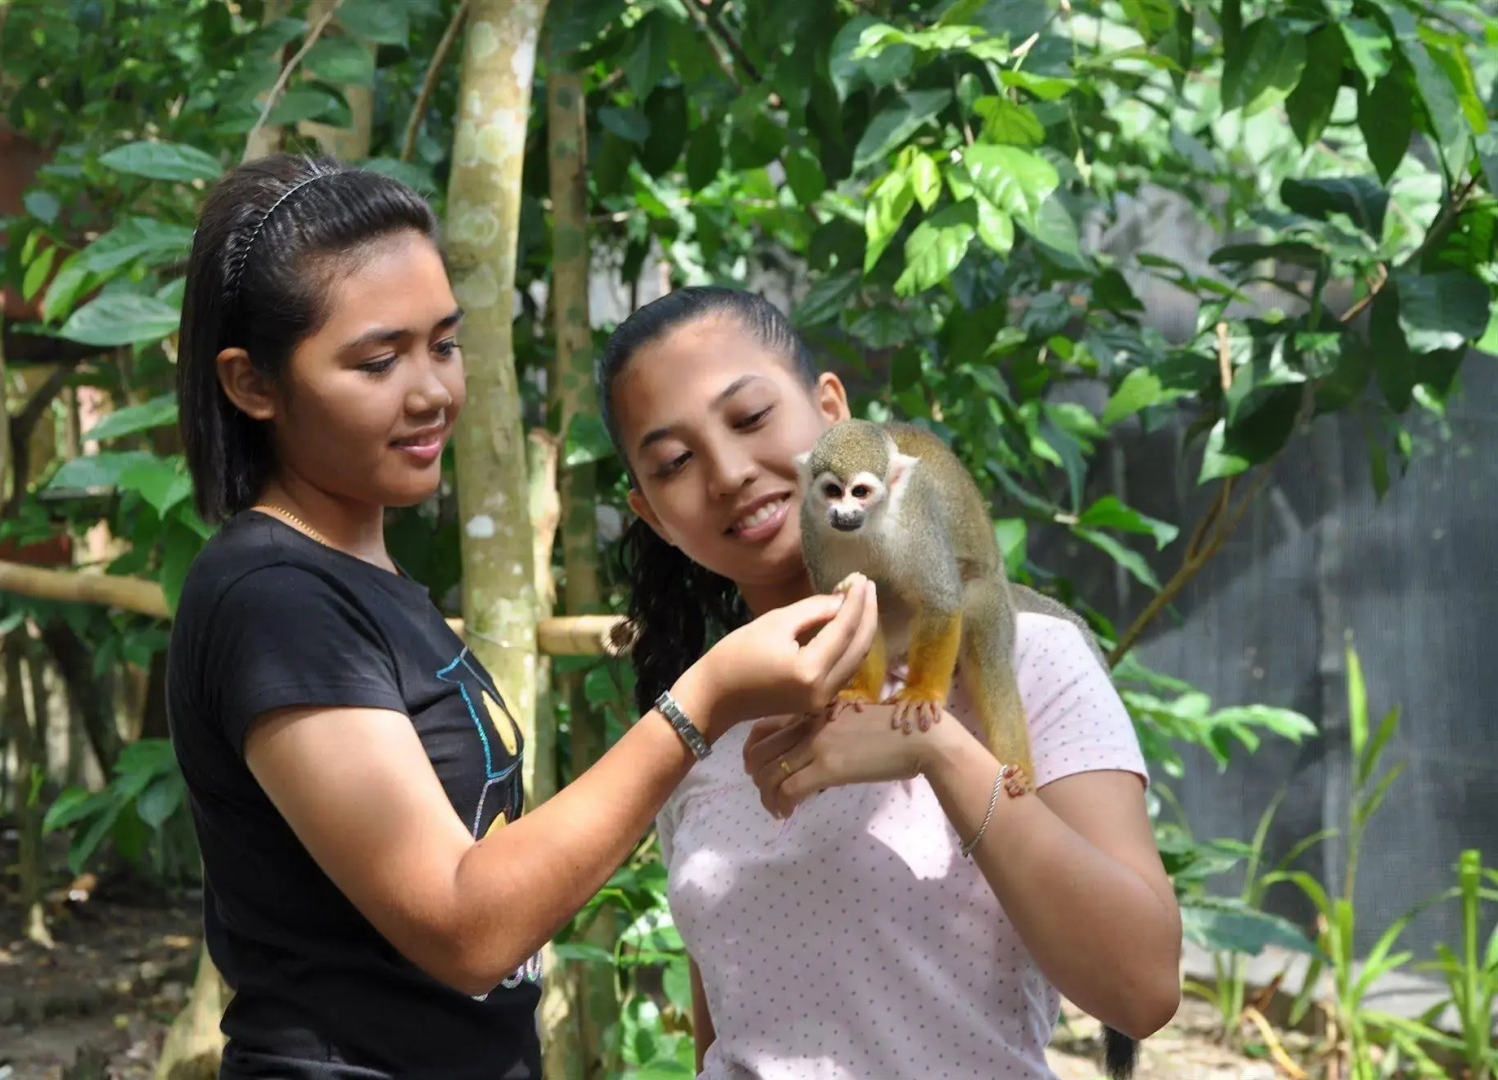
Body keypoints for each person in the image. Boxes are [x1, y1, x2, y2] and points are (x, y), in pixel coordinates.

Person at [163, 156, 880, 1080]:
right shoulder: (274, 598)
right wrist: (702, 701)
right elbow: (466, 930)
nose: (429, 392)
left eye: (443, 345)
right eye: (378, 361)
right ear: (253, 384)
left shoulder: (365, 581)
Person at [595, 285, 1183, 1080]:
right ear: (653, 515)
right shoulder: (701, 718)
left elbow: (1142, 990)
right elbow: (725, 1031)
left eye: (749, 418)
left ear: (834, 415)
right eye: (674, 462)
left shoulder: (1026, 656)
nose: (729, 473)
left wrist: (933, 742)